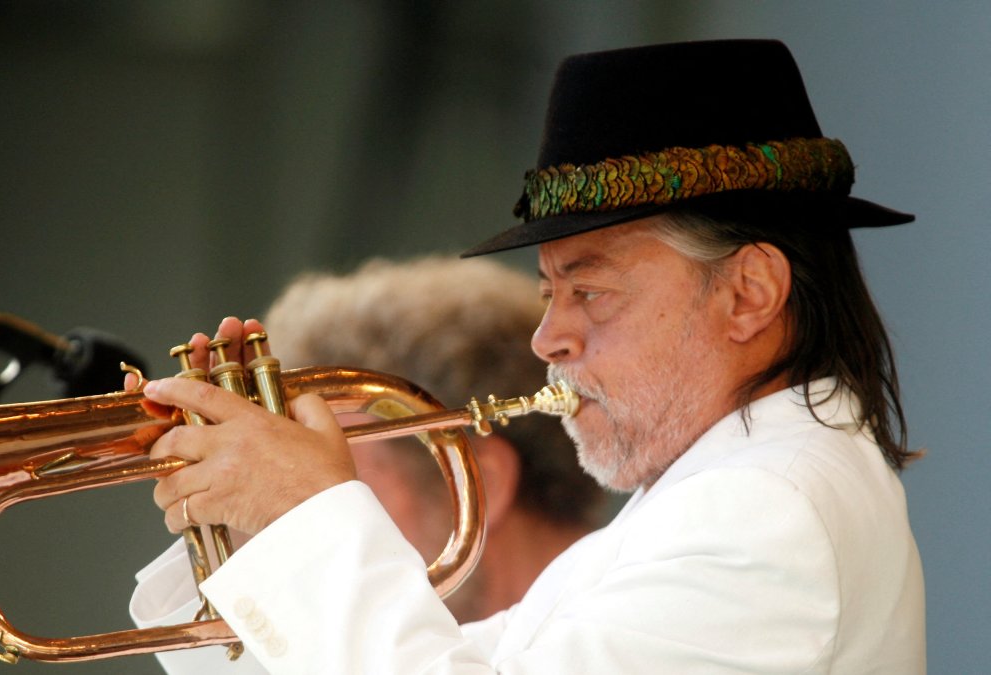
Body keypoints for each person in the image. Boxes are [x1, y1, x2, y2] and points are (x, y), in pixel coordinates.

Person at [136, 40, 925, 673]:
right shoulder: (719, 495)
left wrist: (302, 514)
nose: (547, 338)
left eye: (591, 292)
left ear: (749, 292)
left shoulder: (760, 510)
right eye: (549, 293)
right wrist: (240, 529)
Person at [130, 255, 604, 672]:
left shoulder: (624, 618)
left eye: (333, 470)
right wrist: (245, 542)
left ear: (479, 482)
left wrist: (298, 509)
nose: (281, 485)